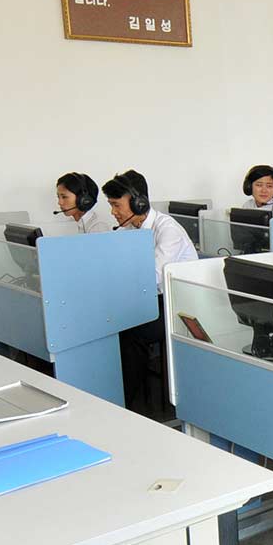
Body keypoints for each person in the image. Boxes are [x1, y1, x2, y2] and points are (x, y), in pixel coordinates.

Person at [106, 170, 197, 420]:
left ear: (138, 203)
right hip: (151, 300)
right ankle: (112, 391)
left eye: (116, 205)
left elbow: (152, 278)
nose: (113, 212)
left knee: (130, 331)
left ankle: (126, 402)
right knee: (109, 320)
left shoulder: (168, 230)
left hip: (179, 305)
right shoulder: (128, 230)